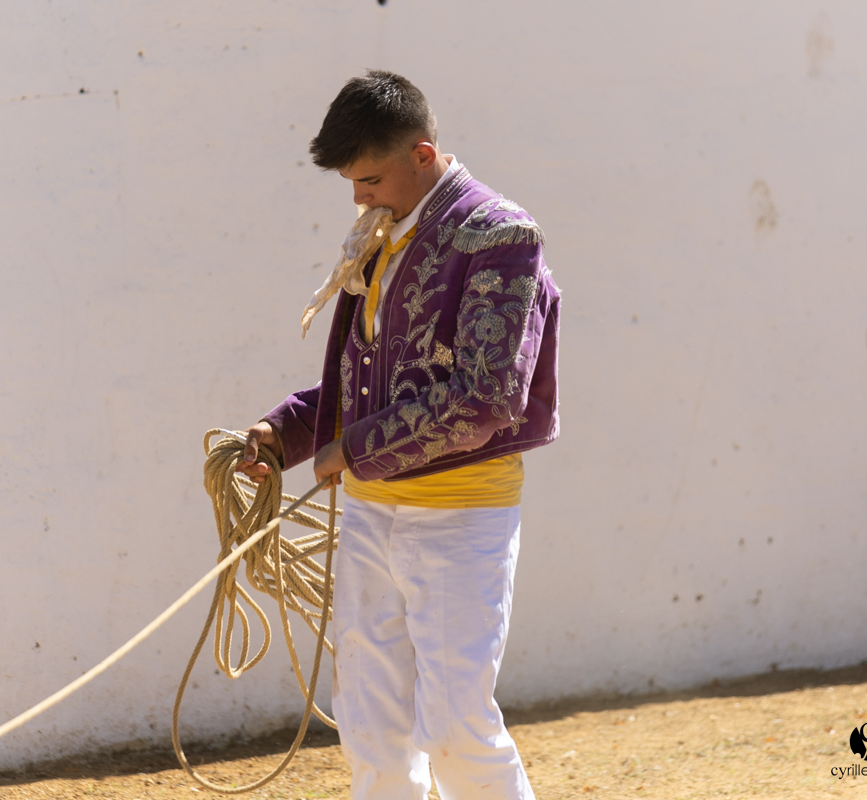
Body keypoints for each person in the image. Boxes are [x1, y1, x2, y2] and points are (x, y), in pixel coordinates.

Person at [236, 70, 560, 800]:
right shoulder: (383, 236)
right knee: (372, 724)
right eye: (353, 181)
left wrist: (350, 450)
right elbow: (370, 387)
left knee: (454, 725)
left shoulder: (500, 235)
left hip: (461, 512)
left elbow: (483, 399)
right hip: (373, 509)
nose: (359, 196)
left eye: (371, 177)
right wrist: (279, 435)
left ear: (422, 155)